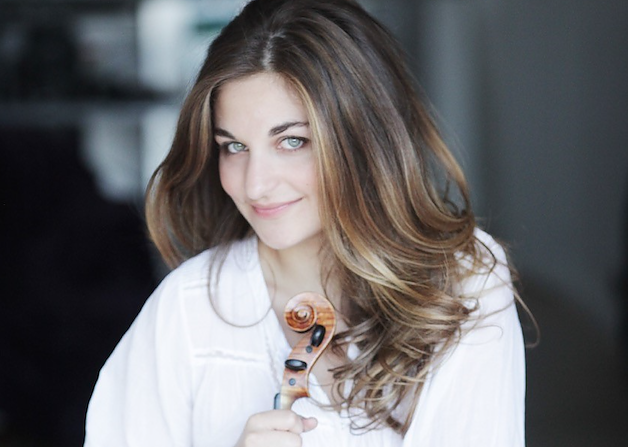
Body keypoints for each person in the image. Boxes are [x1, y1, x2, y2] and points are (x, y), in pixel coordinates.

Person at [83, 0, 526, 445]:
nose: (255, 185)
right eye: (234, 147)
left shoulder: (464, 280)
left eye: (292, 141)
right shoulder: (187, 308)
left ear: (362, 138)